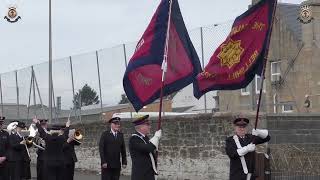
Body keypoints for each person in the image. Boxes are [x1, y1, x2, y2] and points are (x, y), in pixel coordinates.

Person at [129, 115, 162, 180]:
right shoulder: (134, 139)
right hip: (141, 175)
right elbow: (148, 148)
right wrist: (156, 137)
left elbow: (150, 151)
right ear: (141, 127)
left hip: (149, 174)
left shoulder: (145, 138)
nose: (150, 127)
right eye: (147, 125)